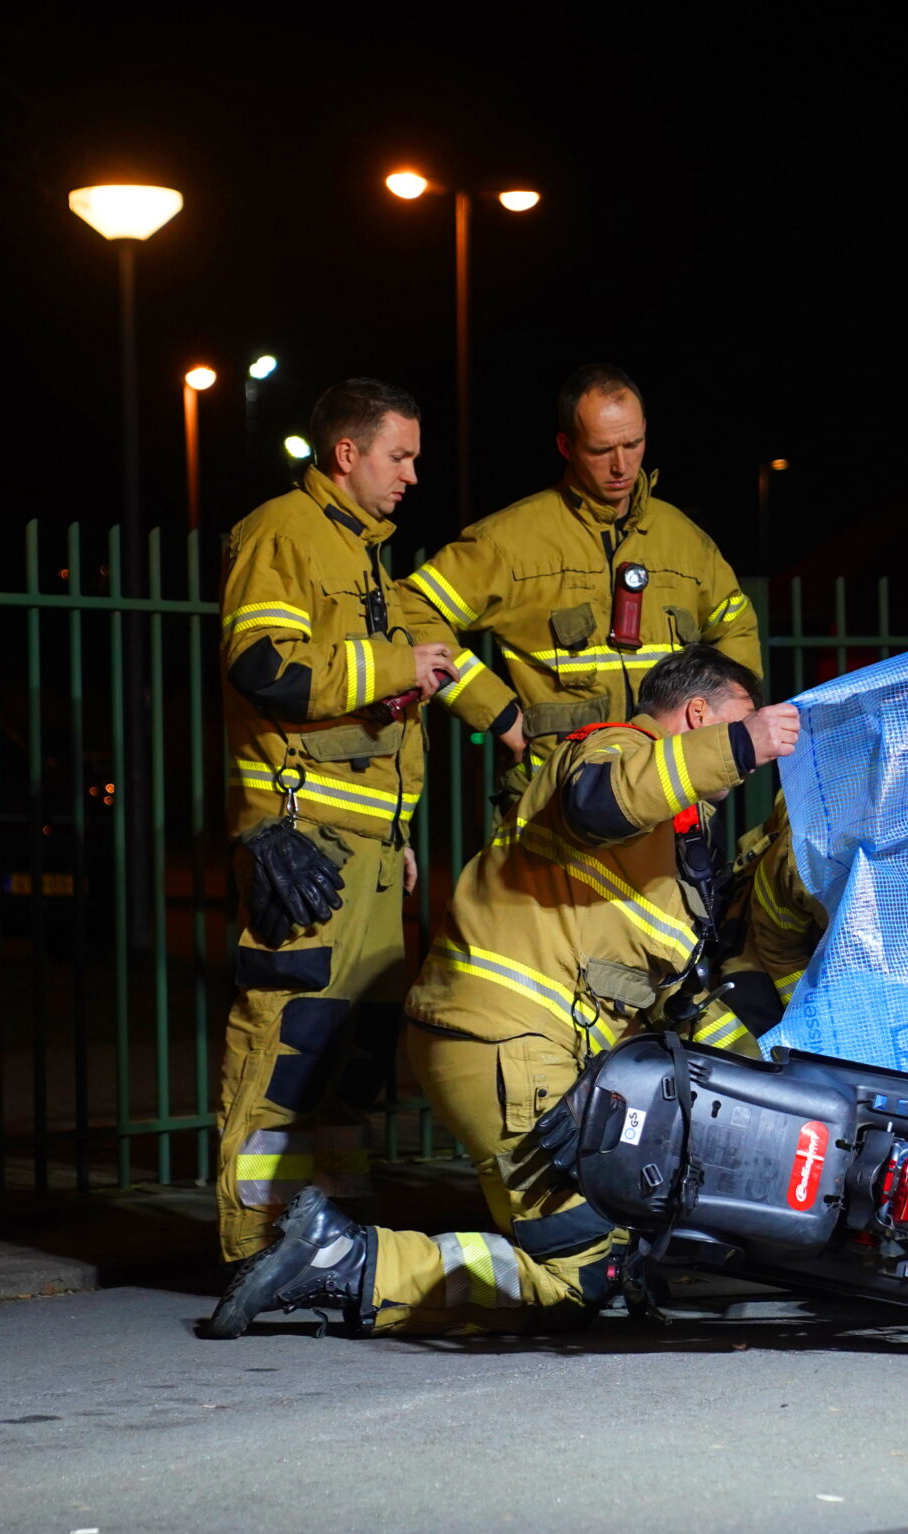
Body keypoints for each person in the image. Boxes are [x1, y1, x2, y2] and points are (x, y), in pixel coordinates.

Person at [204, 645, 802, 1338]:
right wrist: (742, 743)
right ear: (699, 714)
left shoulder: (673, 830)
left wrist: (769, 1078)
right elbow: (600, 802)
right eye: (741, 716)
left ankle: (350, 1256)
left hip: (520, 1046)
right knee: (579, 1276)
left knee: (615, 1238)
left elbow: (674, 996)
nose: (754, 742)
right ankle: (344, 1260)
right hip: (509, 1044)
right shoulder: (614, 749)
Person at [211, 378, 457, 1264]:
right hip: (302, 838)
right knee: (291, 1040)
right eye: (400, 456)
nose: (412, 475)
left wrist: (398, 835)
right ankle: (255, 1244)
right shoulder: (283, 532)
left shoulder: (362, 552)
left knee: (352, 1055)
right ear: (347, 453)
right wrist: (396, 665)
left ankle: (336, 1241)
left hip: (368, 850)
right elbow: (264, 666)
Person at [394, 365, 762, 821]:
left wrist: (726, 731)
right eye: (601, 450)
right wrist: (497, 712)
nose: (621, 465)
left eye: (633, 444)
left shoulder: (685, 540)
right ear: (566, 446)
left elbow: (736, 625)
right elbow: (412, 608)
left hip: (669, 798)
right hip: (555, 802)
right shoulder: (511, 541)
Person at [692, 795, 826, 1056]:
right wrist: (811, 1016)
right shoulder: (811, 855)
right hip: (760, 950)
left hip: (815, 946)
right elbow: (778, 944)